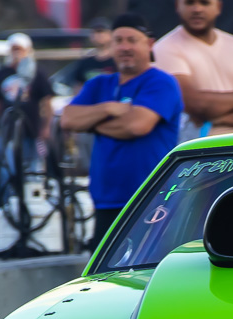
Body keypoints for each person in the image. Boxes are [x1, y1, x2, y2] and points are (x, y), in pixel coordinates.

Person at [61, 13, 183, 250]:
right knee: (104, 270)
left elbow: (136, 126)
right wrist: (108, 108)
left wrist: (92, 123)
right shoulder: (99, 85)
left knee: (149, 266)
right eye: (118, 41)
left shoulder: (161, 82)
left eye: (132, 40)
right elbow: (67, 119)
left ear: (149, 44)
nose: (125, 47)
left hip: (152, 199)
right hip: (106, 201)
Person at [152, 0, 233, 139]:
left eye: (205, 3)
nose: (197, 9)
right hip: (199, 149)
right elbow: (194, 104)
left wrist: (218, 121)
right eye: (189, 3)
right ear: (177, 6)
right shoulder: (165, 48)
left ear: (218, 7)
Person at [0, 33, 53, 170]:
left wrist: (46, 127)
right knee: (8, 168)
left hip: (31, 130)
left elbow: (46, 101)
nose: (17, 53)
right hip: (7, 130)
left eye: (20, 49)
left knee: (32, 168)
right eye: (14, 49)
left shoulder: (37, 73)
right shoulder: (2, 73)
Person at [69, 17, 117, 92]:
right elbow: (78, 86)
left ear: (110, 35)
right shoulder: (85, 62)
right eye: (95, 32)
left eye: (101, 31)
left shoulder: (118, 61)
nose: (99, 35)